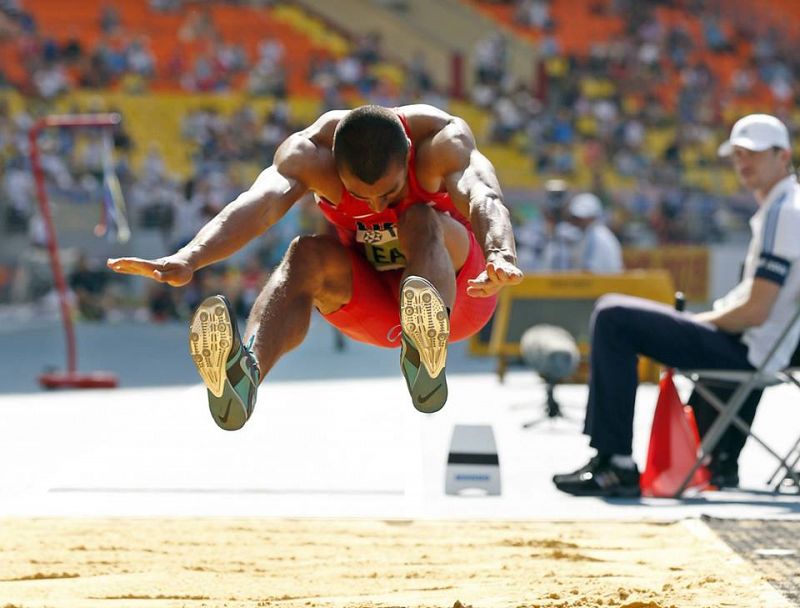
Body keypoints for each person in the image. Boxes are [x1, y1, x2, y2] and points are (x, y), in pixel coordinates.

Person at [108, 104, 523, 429]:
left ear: (409, 157)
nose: (378, 207)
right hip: (371, 302)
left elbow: (484, 195)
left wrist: (499, 253)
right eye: (361, 195)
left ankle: (425, 351)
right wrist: (190, 256)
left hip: (462, 292)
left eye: (391, 191)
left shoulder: (441, 141)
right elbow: (259, 205)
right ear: (335, 166)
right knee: (304, 253)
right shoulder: (310, 154)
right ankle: (245, 376)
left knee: (418, 217)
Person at [553, 113, 800, 496]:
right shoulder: (783, 207)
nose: (743, 163)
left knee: (613, 315)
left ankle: (615, 463)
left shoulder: (785, 212)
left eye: (752, 153)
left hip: (751, 351)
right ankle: (702, 463)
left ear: (783, 156)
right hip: (758, 348)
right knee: (624, 314)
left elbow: (755, 311)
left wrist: (703, 320)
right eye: (736, 155)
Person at [564, 192, 623, 274]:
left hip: (603, 284)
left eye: (581, 218)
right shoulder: (595, 233)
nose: (577, 221)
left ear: (593, 217)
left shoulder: (597, 235)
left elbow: (590, 272)